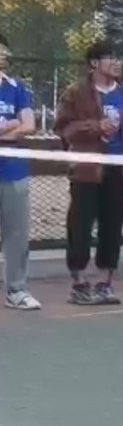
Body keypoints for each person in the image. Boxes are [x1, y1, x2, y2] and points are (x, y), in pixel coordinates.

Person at [54, 40, 123, 306]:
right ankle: (79, 284)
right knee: (80, 226)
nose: (118, 63)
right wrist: (95, 126)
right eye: (112, 58)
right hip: (87, 170)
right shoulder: (76, 92)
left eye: (121, 58)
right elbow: (63, 128)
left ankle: (105, 283)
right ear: (94, 63)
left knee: (112, 227)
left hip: (118, 171)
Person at [0, 33, 39, 310]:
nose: (2, 55)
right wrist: (10, 124)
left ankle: (16, 290)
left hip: (14, 170)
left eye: (4, 50)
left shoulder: (17, 87)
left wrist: (10, 129)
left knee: (16, 233)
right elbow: (17, 124)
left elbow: (29, 125)